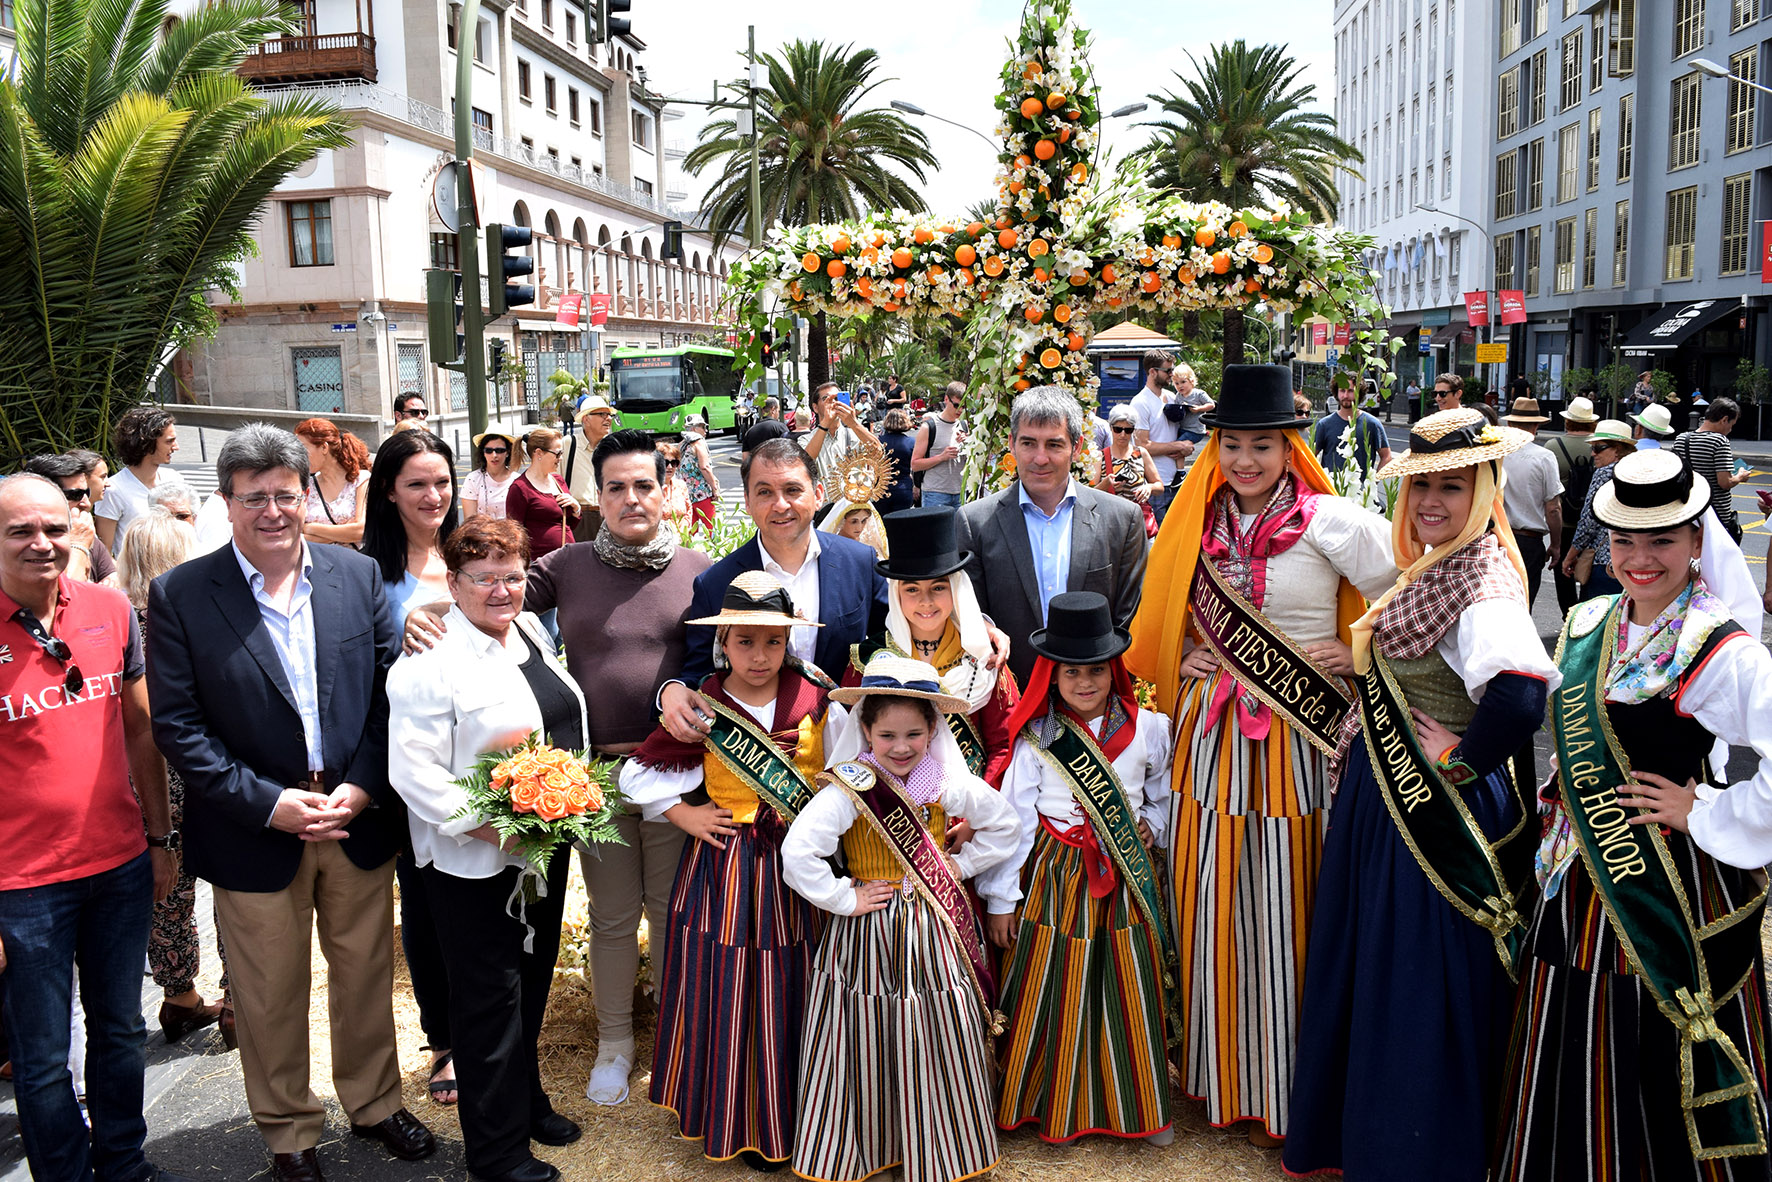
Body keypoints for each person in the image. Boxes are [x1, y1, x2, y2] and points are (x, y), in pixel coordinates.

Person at [148, 424, 434, 1182]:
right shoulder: (180, 594)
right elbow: (179, 726)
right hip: (256, 830)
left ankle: (374, 1104)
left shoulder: (355, 577)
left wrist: (365, 785)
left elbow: (388, 696)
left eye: (285, 493)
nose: (273, 510)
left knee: (366, 974)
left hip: (354, 817)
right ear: (228, 504)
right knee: (271, 995)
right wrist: (269, 805)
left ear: (304, 494)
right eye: (255, 498)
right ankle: (289, 1133)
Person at [1283, 408, 1561, 1182]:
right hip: (1391, 798)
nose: (1432, 501)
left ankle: (1415, 1147)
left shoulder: (1483, 579)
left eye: (1452, 486)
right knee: (1384, 957)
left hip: (1434, 809)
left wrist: (1464, 765)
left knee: (1415, 972)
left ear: (1485, 489)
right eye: (1421, 486)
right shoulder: (1441, 562)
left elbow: (1519, 697)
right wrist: (1355, 659)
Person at [1127, 363, 1398, 1146]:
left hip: (1302, 739)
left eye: (1262, 446)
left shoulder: (1331, 521)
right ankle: (1218, 1078)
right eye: (1233, 445)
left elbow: (1414, 585)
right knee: (1209, 892)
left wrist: (1358, 650)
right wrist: (1179, 658)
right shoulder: (1193, 523)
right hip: (1210, 739)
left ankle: (1291, 1084)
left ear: (1289, 448)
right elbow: (1155, 613)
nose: (1245, 461)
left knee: (1291, 896)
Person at [404, 428, 714, 1111]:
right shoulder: (566, 566)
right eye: (615, 487)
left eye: (643, 484)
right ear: (594, 495)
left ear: (666, 491)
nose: (631, 498)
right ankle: (613, 1044)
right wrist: (422, 615)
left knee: (668, 914)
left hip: (673, 778)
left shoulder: (698, 570)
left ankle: (670, 1040)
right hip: (594, 782)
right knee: (610, 917)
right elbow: (490, 589)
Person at [1495, 449, 1772, 1181]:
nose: (1640, 558)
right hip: (1576, 871)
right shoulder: (1588, 618)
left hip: (1666, 881)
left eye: (1662, 541)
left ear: (1696, 543)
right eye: (1625, 541)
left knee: (1649, 1032)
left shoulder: (1720, 648)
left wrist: (1703, 810)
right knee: (1575, 1028)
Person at [0, 473, 187, 1182]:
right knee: (44, 1058)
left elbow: (142, 731)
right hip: (21, 888)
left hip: (116, 865)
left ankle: (124, 1164)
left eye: (54, 527)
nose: (42, 544)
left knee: (119, 1031)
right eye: (21, 530)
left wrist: (161, 838)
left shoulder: (109, 608)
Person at [387, 516, 585, 1182]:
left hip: (541, 847)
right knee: (487, 1000)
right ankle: (495, 1153)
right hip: (473, 862)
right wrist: (492, 827)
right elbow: (412, 773)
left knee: (530, 985)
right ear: (454, 581)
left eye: (511, 576)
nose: (500, 590)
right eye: (483, 578)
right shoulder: (430, 658)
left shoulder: (527, 630)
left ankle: (524, 1105)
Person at [623, 571, 842, 1169]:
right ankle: (735, 1112)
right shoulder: (704, 705)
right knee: (730, 984)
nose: (759, 655)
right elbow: (636, 775)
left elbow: (849, 767)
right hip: (726, 872)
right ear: (724, 642)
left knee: (794, 983)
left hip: (799, 870)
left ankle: (798, 1113)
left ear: (790, 642)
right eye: (745, 641)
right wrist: (685, 816)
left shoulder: (817, 699)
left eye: (773, 642)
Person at [781, 654, 1019, 1182]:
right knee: (865, 1031)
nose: (902, 746)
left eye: (914, 733)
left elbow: (1006, 825)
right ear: (865, 730)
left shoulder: (945, 784)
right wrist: (845, 897)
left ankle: (937, 1146)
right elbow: (798, 854)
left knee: (933, 1029)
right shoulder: (849, 788)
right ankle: (870, 1146)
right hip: (869, 931)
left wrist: (960, 864)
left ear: (934, 729)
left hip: (931, 929)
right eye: (887, 734)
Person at [981, 591, 1176, 1146]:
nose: (1085, 682)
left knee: (1126, 983)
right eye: (1072, 671)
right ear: (1053, 675)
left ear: (1114, 670)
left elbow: (1163, 801)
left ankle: (1137, 1106)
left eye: (1096, 669)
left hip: (1122, 878)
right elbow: (1013, 820)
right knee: (1050, 981)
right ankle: (1043, 1100)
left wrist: (1151, 829)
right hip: (1053, 876)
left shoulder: (1149, 730)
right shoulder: (1038, 737)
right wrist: (1002, 899)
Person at [660, 439, 891, 741]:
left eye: (793, 490)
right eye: (765, 492)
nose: (780, 505)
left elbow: (887, 645)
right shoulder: (716, 583)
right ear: (747, 500)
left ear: (818, 494)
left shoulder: (860, 563)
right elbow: (701, 673)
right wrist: (673, 690)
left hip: (850, 742)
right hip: (761, 761)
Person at [360, 427, 462, 1105]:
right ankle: (447, 1041)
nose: (433, 495)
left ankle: (495, 1029)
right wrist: (391, 639)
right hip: (410, 769)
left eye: (442, 481)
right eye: (417, 483)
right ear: (390, 492)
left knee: (486, 903)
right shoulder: (368, 572)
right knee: (427, 908)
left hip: (492, 760)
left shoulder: (472, 553)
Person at [117, 510, 231, 1049]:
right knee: (231, 884)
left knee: (167, 889)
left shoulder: (119, 622)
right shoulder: (189, 614)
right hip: (202, 766)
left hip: (144, 776)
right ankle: (236, 996)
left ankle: (178, 994)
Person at [956, 386, 1149, 691]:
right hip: (1010, 694)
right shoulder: (976, 522)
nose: (1040, 458)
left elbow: (1129, 615)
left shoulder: (1122, 520)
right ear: (1011, 444)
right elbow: (970, 611)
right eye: (1029, 443)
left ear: (1076, 446)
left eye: (1054, 445)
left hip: (1092, 700)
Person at [845, 507, 1021, 785]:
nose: (926, 601)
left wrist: (974, 815)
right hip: (892, 811)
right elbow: (855, 743)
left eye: (938, 587)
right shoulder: (870, 659)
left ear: (956, 589)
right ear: (895, 593)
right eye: (912, 589)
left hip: (970, 810)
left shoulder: (984, 656)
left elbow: (1004, 744)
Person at [95, 405, 188, 558]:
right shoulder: (113, 490)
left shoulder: (175, 480)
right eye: (169, 441)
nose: (176, 447)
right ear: (147, 443)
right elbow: (104, 553)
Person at [1562, 418, 1638, 601]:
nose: (1593, 453)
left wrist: (1571, 555)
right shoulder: (1638, 470)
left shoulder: (1605, 473)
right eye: (1592, 448)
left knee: (1597, 617)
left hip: (1606, 560)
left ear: (1617, 450)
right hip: (1634, 557)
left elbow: (1589, 520)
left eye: (1598, 448)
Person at [1499, 397, 1564, 606]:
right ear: (1536, 426)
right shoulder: (1544, 457)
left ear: (1510, 424)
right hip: (1528, 541)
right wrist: (1555, 544)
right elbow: (1553, 508)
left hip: (1497, 537)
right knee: (1523, 603)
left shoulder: (1496, 454)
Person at [22, 452, 115, 585]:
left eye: (86, 493)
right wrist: (78, 546)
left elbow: (112, 574)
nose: (86, 503)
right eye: (76, 495)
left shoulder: (82, 531)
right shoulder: (31, 546)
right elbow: (66, 594)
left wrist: (111, 582)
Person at [1545, 396, 1599, 613]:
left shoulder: (1553, 446)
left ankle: (1568, 614)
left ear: (1568, 421)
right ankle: (1589, 613)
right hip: (1594, 519)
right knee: (1590, 568)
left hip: (1565, 519)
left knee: (1562, 570)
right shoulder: (1599, 445)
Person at [1672, 396, 1747, 543]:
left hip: (1688, 509)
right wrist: (1740, 476)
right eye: (1731, 424)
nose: (1730, 429)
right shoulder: (1719, 441)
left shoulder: (1681, 438)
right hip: (1715, 511)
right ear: (1724, 419)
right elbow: (1725, 482)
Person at [1130, 350, 1193, 521]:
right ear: (1152, 372)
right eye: (1168, 371)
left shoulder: (1173, 397)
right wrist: (1179, 446)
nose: (1172, 375)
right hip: (1155, 484)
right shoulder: (1140, 402)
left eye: (1172, 370)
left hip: (1177, 481)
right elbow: (1142, 446)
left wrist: (1189, 443)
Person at [293, 417, 370, 547]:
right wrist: (344, 531)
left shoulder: (361, 480)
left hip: (352, 562)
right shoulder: (307, 485)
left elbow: (360, 531)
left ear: (324, 447)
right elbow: (297, 537)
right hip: (317, 562)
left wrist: (311, 528)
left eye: (303, 449)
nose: (300, 456)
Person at [507, 427, 580, 563]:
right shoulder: (520, 488)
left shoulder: (558, 481)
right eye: (557, 454)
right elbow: (514, 535)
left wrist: (576, 508)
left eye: (561, 453)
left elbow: (567, 524)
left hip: (566, 559)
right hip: (540, 566)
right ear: (539, 453)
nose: (561, 458)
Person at [803, 381, 882, 505]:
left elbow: (878, 452)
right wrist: (825, 423)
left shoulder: (855, 433)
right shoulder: (806, 439)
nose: (834, 403)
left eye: (837, 398)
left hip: (855, 512)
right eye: (826, 399)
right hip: (824, 515)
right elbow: (804, 462)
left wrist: (854, 423)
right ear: (815, 407)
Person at [1092, 403, 1163, 538]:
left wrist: (1149, 487)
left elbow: (1160, 486)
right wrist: (1106, 483)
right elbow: (1090, 494)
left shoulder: (1141, 453)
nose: (1123, 434)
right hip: (1111, 526)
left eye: (1128, 430)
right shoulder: (1100, 457)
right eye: (1118, 429)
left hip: (1139, 524)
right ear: (1111, 428)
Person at [1312, 375, 1393, 476]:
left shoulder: (1372, 424)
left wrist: (1372, 483)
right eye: (1342, 390)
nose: (1345, 395)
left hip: (1360, 490)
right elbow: (1310, 457)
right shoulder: (1324, 424)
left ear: (1359, 393)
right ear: (1336, 392)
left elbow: (1386, 456)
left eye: (1350, 391)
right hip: (1331, 489)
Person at [563, 396, 616, 541]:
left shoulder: (613, 448)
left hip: (608, 517)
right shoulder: (568, 444)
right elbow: (553, 481)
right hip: (578, 519)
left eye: (609, 415)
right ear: (586, 419)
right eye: (601, 414)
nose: (608, 419)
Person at [913, 382, 968, 510]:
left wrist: (969, 444)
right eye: (956, 405)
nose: (960, 410)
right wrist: (941, 457)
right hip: (935, 493)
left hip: (960, 493)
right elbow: (915, 464)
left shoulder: (965, 426)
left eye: (963, 406)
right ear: (946, 399)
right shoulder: (929, 427)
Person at [460, 430, 523, 521]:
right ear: (483, 453)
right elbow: (469, 521)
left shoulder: (517, 480)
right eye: (489, 451)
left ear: (508, 453)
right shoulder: (473, 479)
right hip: (480, 533)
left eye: (499, 451)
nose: (494, 455)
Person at [677, 413, 721, 532]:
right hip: (702, 493)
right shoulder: (698, 442)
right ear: (694, 429)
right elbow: (705, 467)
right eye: (703, 426)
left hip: (686, 494)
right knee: (712, 528)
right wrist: (714, 488)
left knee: (689, 530)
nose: (705, 430)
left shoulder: (681, 445)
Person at [1172, 361, 1216, 444]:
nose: (1180, 386)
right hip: (1182, 428)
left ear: (1191, 381)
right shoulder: (1178, 395)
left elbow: (1211, 405)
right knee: (1175, 446)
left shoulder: (1198, 394)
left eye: (1183, 382)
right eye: (1176, 383)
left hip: (1195, 431)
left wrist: (1199, 408)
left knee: (1177, 445)